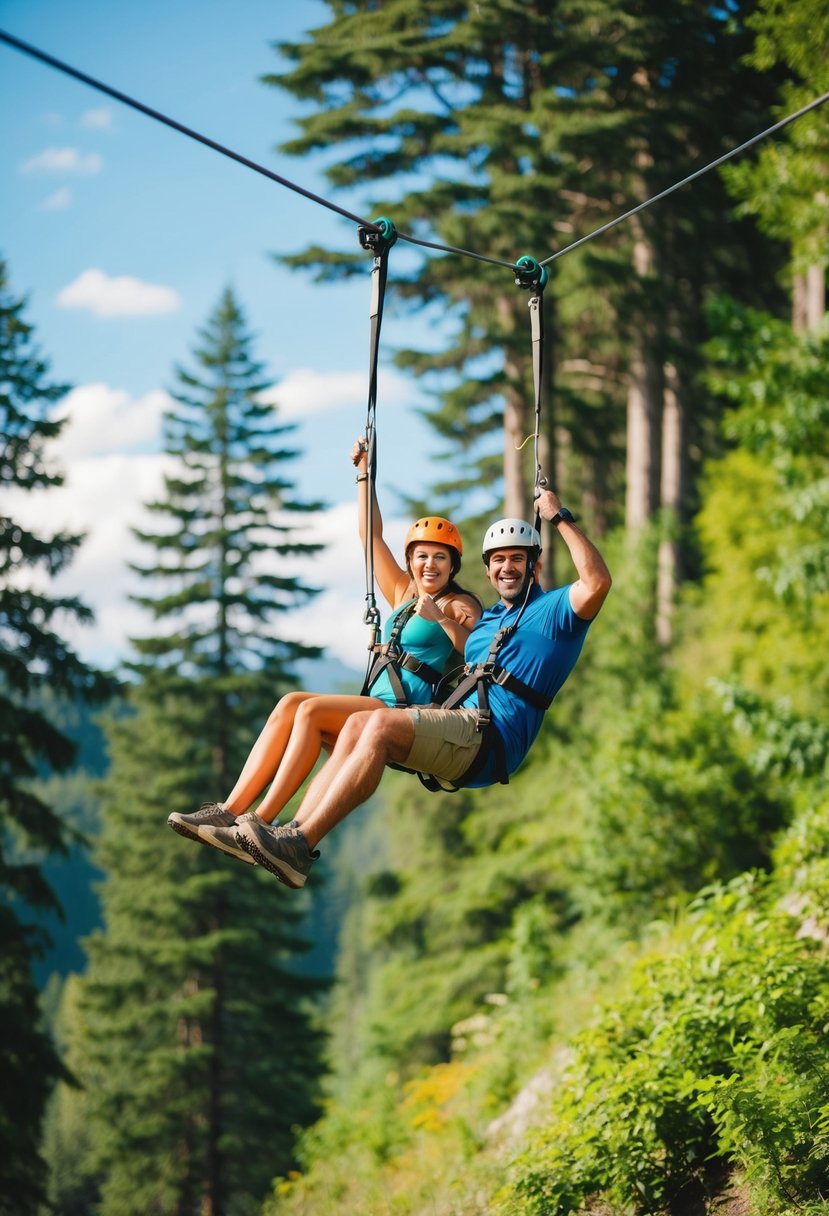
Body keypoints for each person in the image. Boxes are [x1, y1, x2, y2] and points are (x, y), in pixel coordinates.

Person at [203, 488, 611, 888]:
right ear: (487, 571)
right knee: (361, 723)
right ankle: (291, 836)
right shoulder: (488, 621)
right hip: (461, 722)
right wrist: (364, 477)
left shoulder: (556, 611)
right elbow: (465, 646)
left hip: (491, 736)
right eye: (499, 561)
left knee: (377, 724)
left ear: (534, 568)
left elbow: (596, 582)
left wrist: (558, 517)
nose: (507, 568)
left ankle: (298, 841)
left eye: (517, 560)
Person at [166, 437, 482, 864]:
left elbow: (475, 654)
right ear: (411, 561)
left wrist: (442, 619)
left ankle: (259, 819)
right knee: (293, 702)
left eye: (440, 558)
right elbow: (369, 536)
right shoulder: (403, 593)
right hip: (373, 705)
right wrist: (363, 474)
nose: (430, 565)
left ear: (452, 565)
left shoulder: (458, 604)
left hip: (405, 714)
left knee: (311, 711)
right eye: (421, 556)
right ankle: (230, 811)